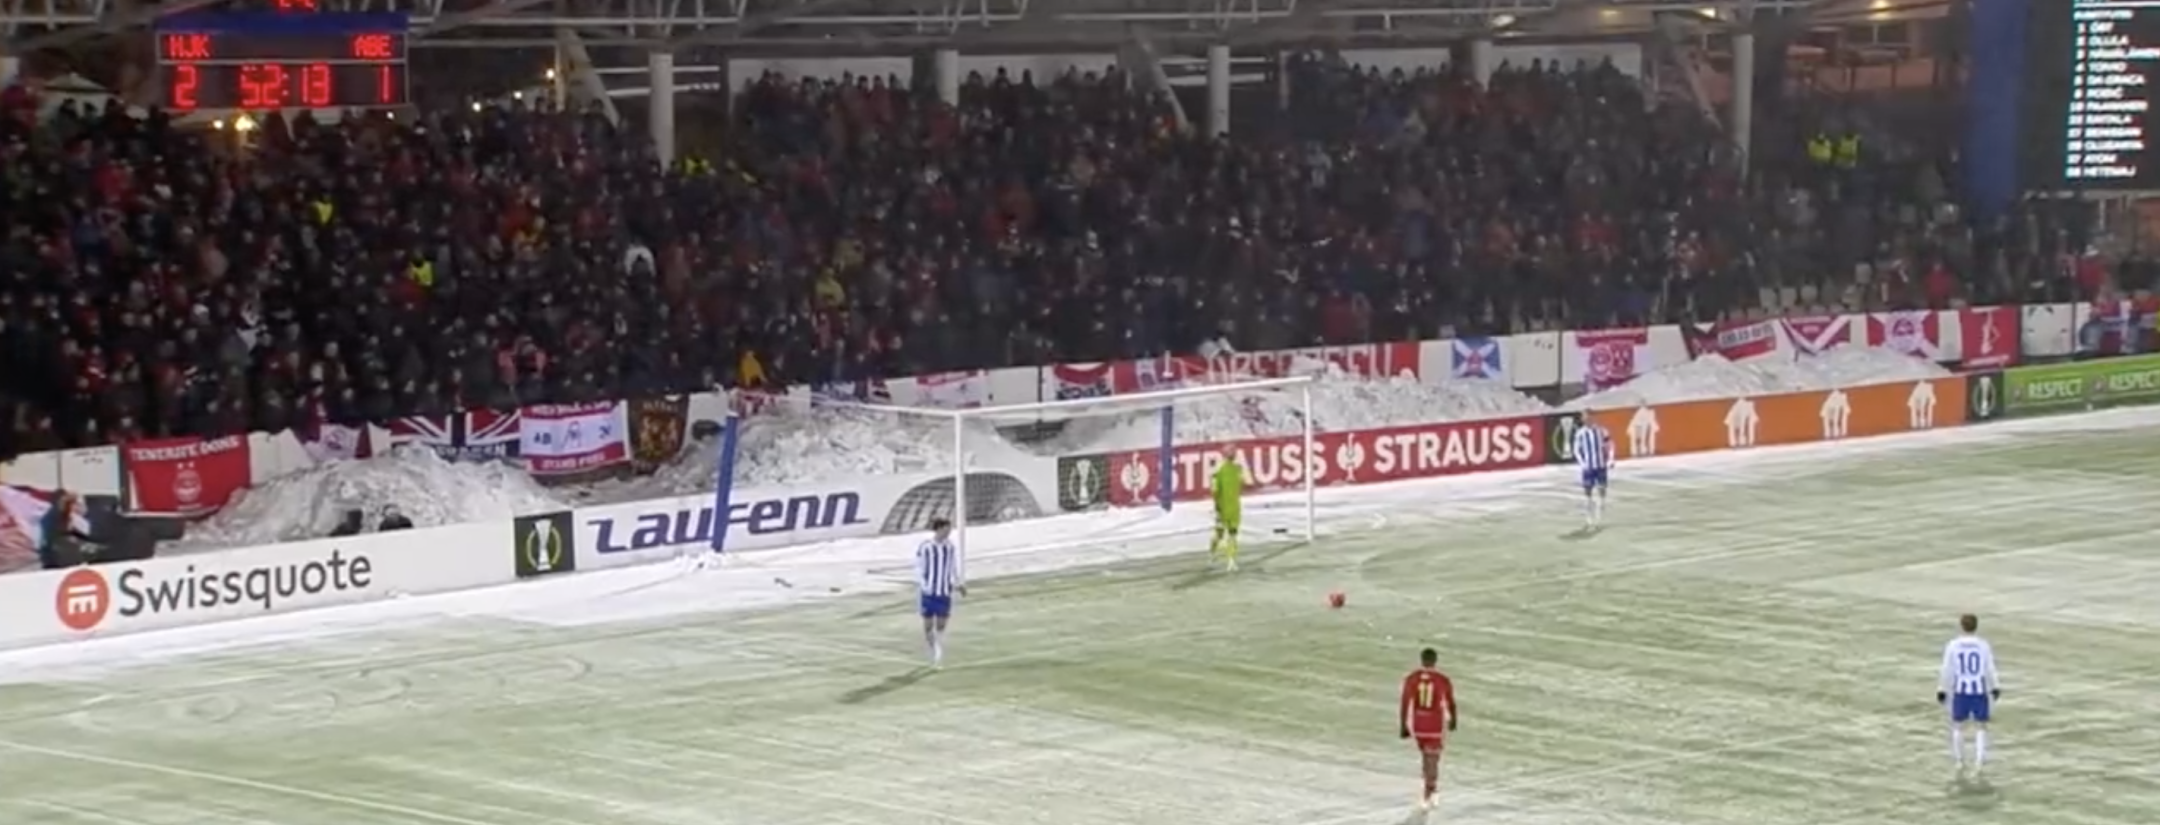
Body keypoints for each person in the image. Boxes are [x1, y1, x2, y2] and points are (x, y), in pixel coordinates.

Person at [1939, 613, 2001, 778]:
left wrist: (1942, 688)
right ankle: (1979, 763)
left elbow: (1947, 668)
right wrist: (1995, 686)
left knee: (1958, 726)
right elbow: (1989, 667)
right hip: (1978, 690)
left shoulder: (1953, 645)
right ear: (1976, 626)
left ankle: (1959, 761)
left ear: (1961, 626)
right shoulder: (1983, 645)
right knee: (1981, 727)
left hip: (1961, 690)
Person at [1399, 647, 1458, 810]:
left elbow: (1405, 702)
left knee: (1426, 758)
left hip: (1419, 723)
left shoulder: (1412, 678)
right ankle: (1430, 791)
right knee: (1433, 759)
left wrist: (1403, 725)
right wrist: (1454, 719)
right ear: (1435, 661)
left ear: (1422, 660)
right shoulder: (1442, 679)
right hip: (1434, 723)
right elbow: (1450, 701)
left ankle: (1430, 788)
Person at [914, 518, 965, 667]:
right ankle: (934, 649)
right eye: (946, 529)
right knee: (928, 626)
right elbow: (918, 567)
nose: (949, 532)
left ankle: (938, 650)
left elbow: (952, 566)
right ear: (939, 529)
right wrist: (923, 585)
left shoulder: (949, 547)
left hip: (944, 592)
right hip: (928, 592)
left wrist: (958, 583)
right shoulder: (925, 547)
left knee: (941, 624)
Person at [1571, 420, 1614, 527]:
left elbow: (1610, 445)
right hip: (1588, 467)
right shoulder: (1580, 433)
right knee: (1588, 493)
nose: (1587, 419)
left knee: (1602, 491)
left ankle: (1599, 517)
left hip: (1601, 466)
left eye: (1589, 416)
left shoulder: (1602, 431)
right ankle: (1589, 517)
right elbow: (1576, 450)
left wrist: (1611, 459)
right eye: (1585, 417)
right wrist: (1582, 464)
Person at [1209, 450, 1243, 570]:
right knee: (1220, 534)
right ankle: (1213, 552)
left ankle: (1231, 560)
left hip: (1233, 507)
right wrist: (1217, 506)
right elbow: (1214, 490)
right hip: (1223, 507)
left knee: (1232, 534)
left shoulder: (1236, 469)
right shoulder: (1220, 472)